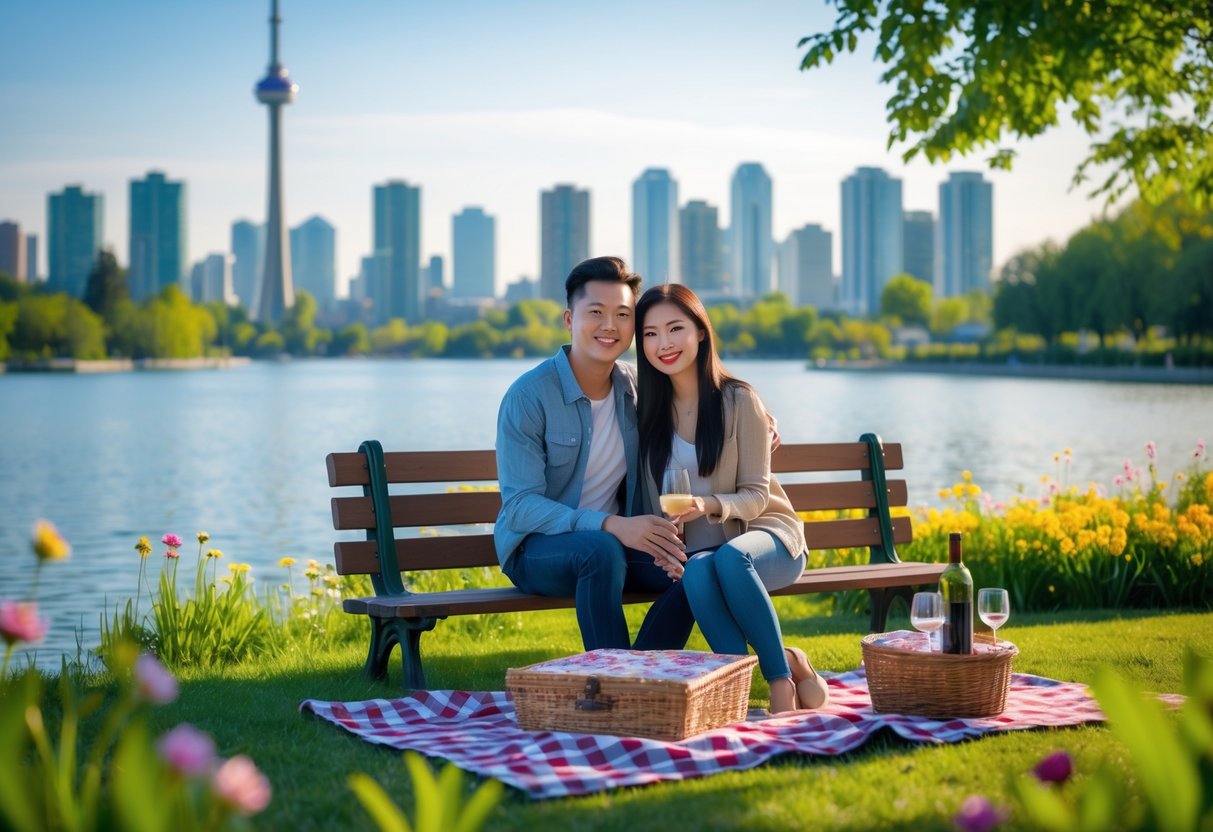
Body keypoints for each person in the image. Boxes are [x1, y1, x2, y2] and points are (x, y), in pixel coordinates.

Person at [635, 283, 829, 713]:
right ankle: (752, 681)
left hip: (768, 537)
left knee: (727, 558)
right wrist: (668, 547)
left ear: (700, 332)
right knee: (699, 571)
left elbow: (757, 496)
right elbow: (657, 504)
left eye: (674, 328)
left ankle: (779, 683)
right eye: (649, 334)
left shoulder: (739, 399)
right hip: (708, 551)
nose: (663, 343)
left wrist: (708, 505)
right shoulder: (646, 412)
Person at [494, 256, 694, 652]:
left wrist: (759, 417)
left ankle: (641, 676)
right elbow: (518, 506)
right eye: (596, 313)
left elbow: (702, 403)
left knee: (700, 568)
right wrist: (610, 525)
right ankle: (611, 680)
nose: (610, 326)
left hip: (615, 547)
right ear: (569, 320)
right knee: (599, 549)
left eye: (623, 314)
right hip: (536, 549)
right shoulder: (529, 395)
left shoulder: (636, 389)